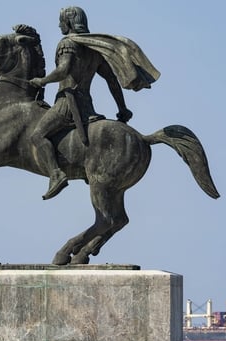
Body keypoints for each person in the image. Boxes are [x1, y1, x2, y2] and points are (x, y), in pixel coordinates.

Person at [28, 6, 158, 200]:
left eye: (61, 20)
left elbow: (63, 71)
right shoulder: (93, 49)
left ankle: (56, 174)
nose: (58, 24)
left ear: (69, 22)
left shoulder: (67, 43)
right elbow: (112, 81)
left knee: (37, 135)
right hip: (87, 106)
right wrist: (122, 108)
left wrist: (42, 81)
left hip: (67, 105)